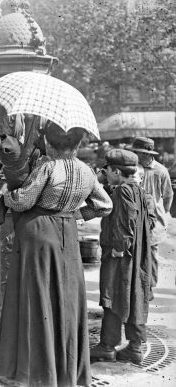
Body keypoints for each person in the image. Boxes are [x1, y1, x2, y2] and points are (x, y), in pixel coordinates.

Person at [0, 122, 112, 387]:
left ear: (48, 143)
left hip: (38, 232)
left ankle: (30, 369)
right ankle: (65, 368)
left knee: (34, 296)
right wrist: (78, 215)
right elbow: (105, 205)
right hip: (67, 232)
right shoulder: (86, 171)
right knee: (66, 295)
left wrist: (6, 195)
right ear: (78, 144)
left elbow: (23, 200)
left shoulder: (47, 167)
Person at [90, 149, 153, 365]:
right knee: (135, 296)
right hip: (138, 256)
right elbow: (147, 222)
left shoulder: (122, 192)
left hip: (120, 255)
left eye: (107, 170)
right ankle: (134, 348)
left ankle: (107, 346)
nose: (104, 173)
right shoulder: (140, 191)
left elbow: (126, 220)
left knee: (112, 295)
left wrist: (119, 246)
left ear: (116, 171)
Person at [128, 137, 173, 288]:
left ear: (148, 154)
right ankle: (137, 283)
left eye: (137, 152)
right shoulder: (133, 168)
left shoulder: (160, 171)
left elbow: (168, 195)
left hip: (154, 219)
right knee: (134, 251)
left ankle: (150, 285)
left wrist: (163, 213)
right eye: (134, 151)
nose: (135, 154)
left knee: (152, 252)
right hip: (135, 215)